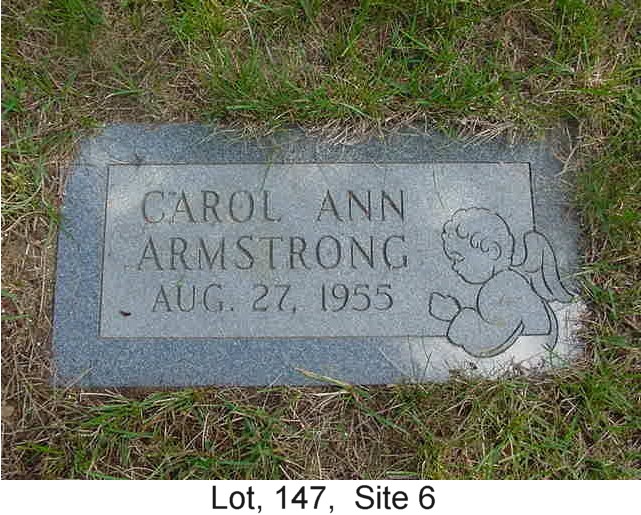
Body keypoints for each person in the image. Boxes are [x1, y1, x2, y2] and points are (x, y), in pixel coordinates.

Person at [429, 207, 572, 358]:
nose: (454, 266)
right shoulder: (510, 279)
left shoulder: (502, 286)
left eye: (459, 258)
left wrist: (454, 315)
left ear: (492, 251)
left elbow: (491, 340)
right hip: (533, 349)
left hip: (531, 355)